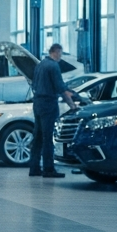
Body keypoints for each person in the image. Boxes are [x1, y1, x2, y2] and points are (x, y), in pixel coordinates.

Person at [27, 43, 78, 178]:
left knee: (37, 136)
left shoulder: (40, 64)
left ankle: (34, 168)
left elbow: (34, 83)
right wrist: (72, 105)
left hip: (37, 103)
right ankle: (48, 169)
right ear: (55, 52)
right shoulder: (54, 66)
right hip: (49, 104)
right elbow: (60, 88)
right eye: (60, 54)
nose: (60, 57)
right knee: (48, 137)